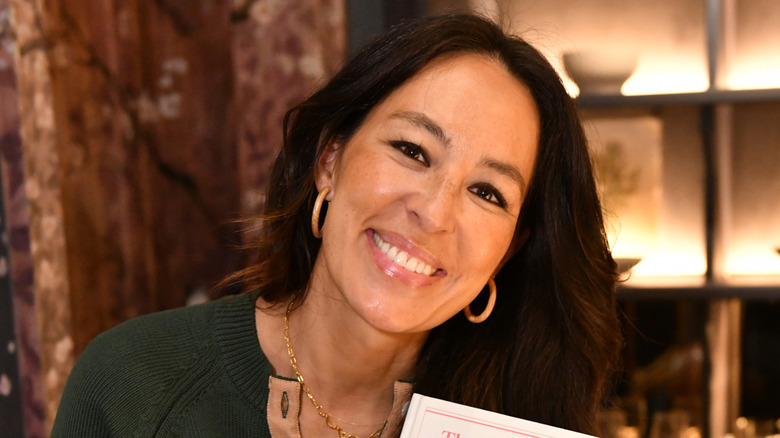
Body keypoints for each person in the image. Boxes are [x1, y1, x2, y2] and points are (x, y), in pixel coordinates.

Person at [51, 13, 621, 438]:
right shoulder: (136, 387)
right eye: (412, 150)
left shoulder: (515, 422)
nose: (435, 212)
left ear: (509, 249)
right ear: (330, 160)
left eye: (486, 192)